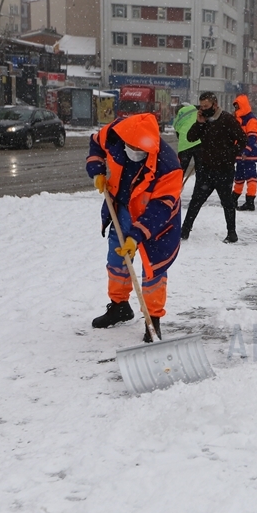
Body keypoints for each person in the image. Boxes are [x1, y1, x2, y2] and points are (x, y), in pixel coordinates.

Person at [86, 113, 183, 342]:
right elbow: (95, 143)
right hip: (122, 207)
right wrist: (97, 170)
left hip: (156, 221)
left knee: (153, 270)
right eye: (129, 144)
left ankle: (153, 320)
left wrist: (137, 235)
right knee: (117, 261)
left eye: (138, 147)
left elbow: (161, 207)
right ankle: (120, 306)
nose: (132, 150)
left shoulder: (168, 165)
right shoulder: (115, 133)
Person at [180, 91, 247, 243]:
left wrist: (231, 154)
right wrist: (199, 123)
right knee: (195, 201)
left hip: (224, 169)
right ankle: (184, 231)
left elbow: (243, 139)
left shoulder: (227, 119)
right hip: (205, 169)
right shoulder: (203, 120)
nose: (203, 109)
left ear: (214, 105)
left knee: (227, 202)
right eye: (201, 106)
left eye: (206, 106)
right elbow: (191, 138)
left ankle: (231, 233)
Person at [231, 94, 257, 211]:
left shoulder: (250, 120)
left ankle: (250, 201)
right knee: (239, 177)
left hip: (248, 155)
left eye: (237, 107)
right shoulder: (240, 120)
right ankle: (234, 198)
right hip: (241, 154)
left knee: (250, 177)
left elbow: (252, 138)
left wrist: (246, 151)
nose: (236, 109)